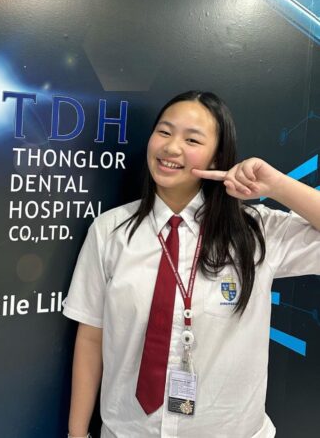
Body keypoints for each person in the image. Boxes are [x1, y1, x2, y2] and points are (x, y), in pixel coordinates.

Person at [63, 91, 320, 438]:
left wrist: (277, 186)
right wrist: (77, 433)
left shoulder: (256, 231)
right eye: (164, 132)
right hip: (128, 430)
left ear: (218, 156)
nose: (171, 148)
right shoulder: (110, 230)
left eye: (192, 139)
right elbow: (92, 337)